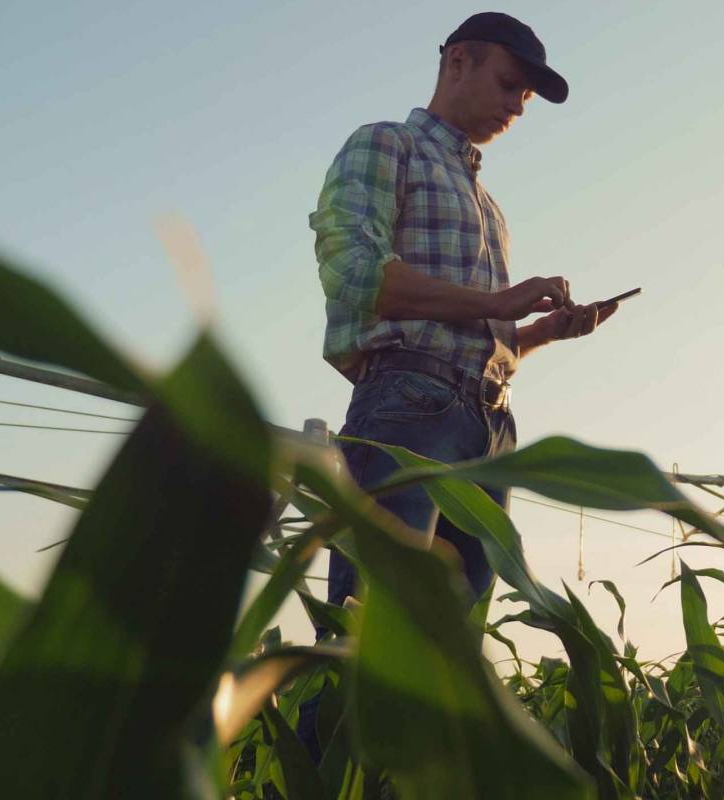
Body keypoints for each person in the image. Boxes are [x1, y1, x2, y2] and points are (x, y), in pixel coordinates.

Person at [297, 11, 613, 762]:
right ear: (459, 62)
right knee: (371, 636)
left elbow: (477, 341)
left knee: (447, 666)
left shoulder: (489, 206)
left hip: (486, 426)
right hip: (407, 409)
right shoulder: (387, 146)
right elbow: (354, 276)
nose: (517, 106)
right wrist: (496, 303)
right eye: (511, 83)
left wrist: (538, 334)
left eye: (527, 97)